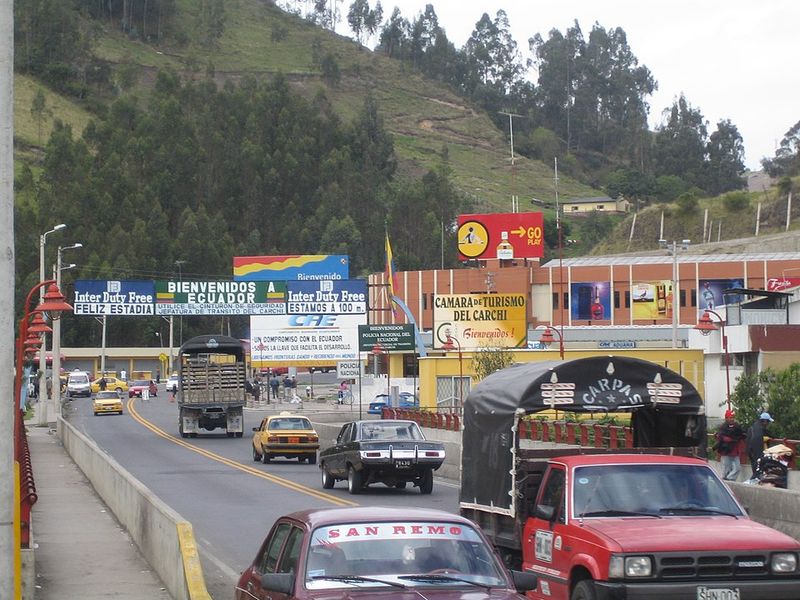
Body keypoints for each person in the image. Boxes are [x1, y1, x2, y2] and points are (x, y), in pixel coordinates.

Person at [714, 409, 746, 481]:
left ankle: (729, 480)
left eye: (733, 417)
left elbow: (743, 434)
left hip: (735, 452)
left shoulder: (737, 426)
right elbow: (719, 437)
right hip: (725, 452)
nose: (732, 419)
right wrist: (729, 439)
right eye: (730, 417)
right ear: (726, 418)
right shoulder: (723, 427)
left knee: (737, 468)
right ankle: (725, 483)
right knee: (725, 471)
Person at [746, 412, 774, 477]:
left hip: (751, 453)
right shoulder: (760, 429)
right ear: (764, 421)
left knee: (755, 470)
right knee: (757, 472)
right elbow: (761, 439)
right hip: (757, 454)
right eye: (768, 422)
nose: (768, 424)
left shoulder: (753, 427)